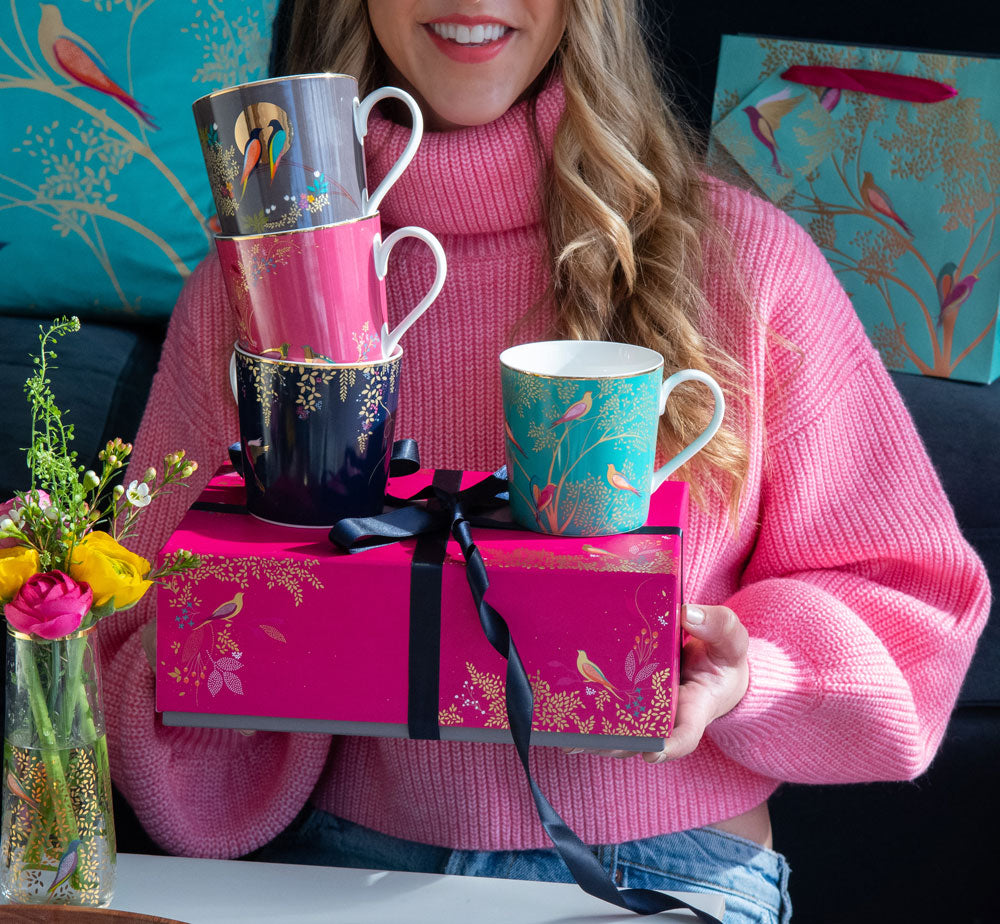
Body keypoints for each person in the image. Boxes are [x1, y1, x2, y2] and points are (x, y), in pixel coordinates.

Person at [100, 3, 990, 923]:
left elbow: (918, 612)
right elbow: (129, 637)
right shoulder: (250, 291)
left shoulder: (742, 258)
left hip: (669, 868)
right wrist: (275, 615)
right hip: (339, 861)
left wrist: (750, 670)